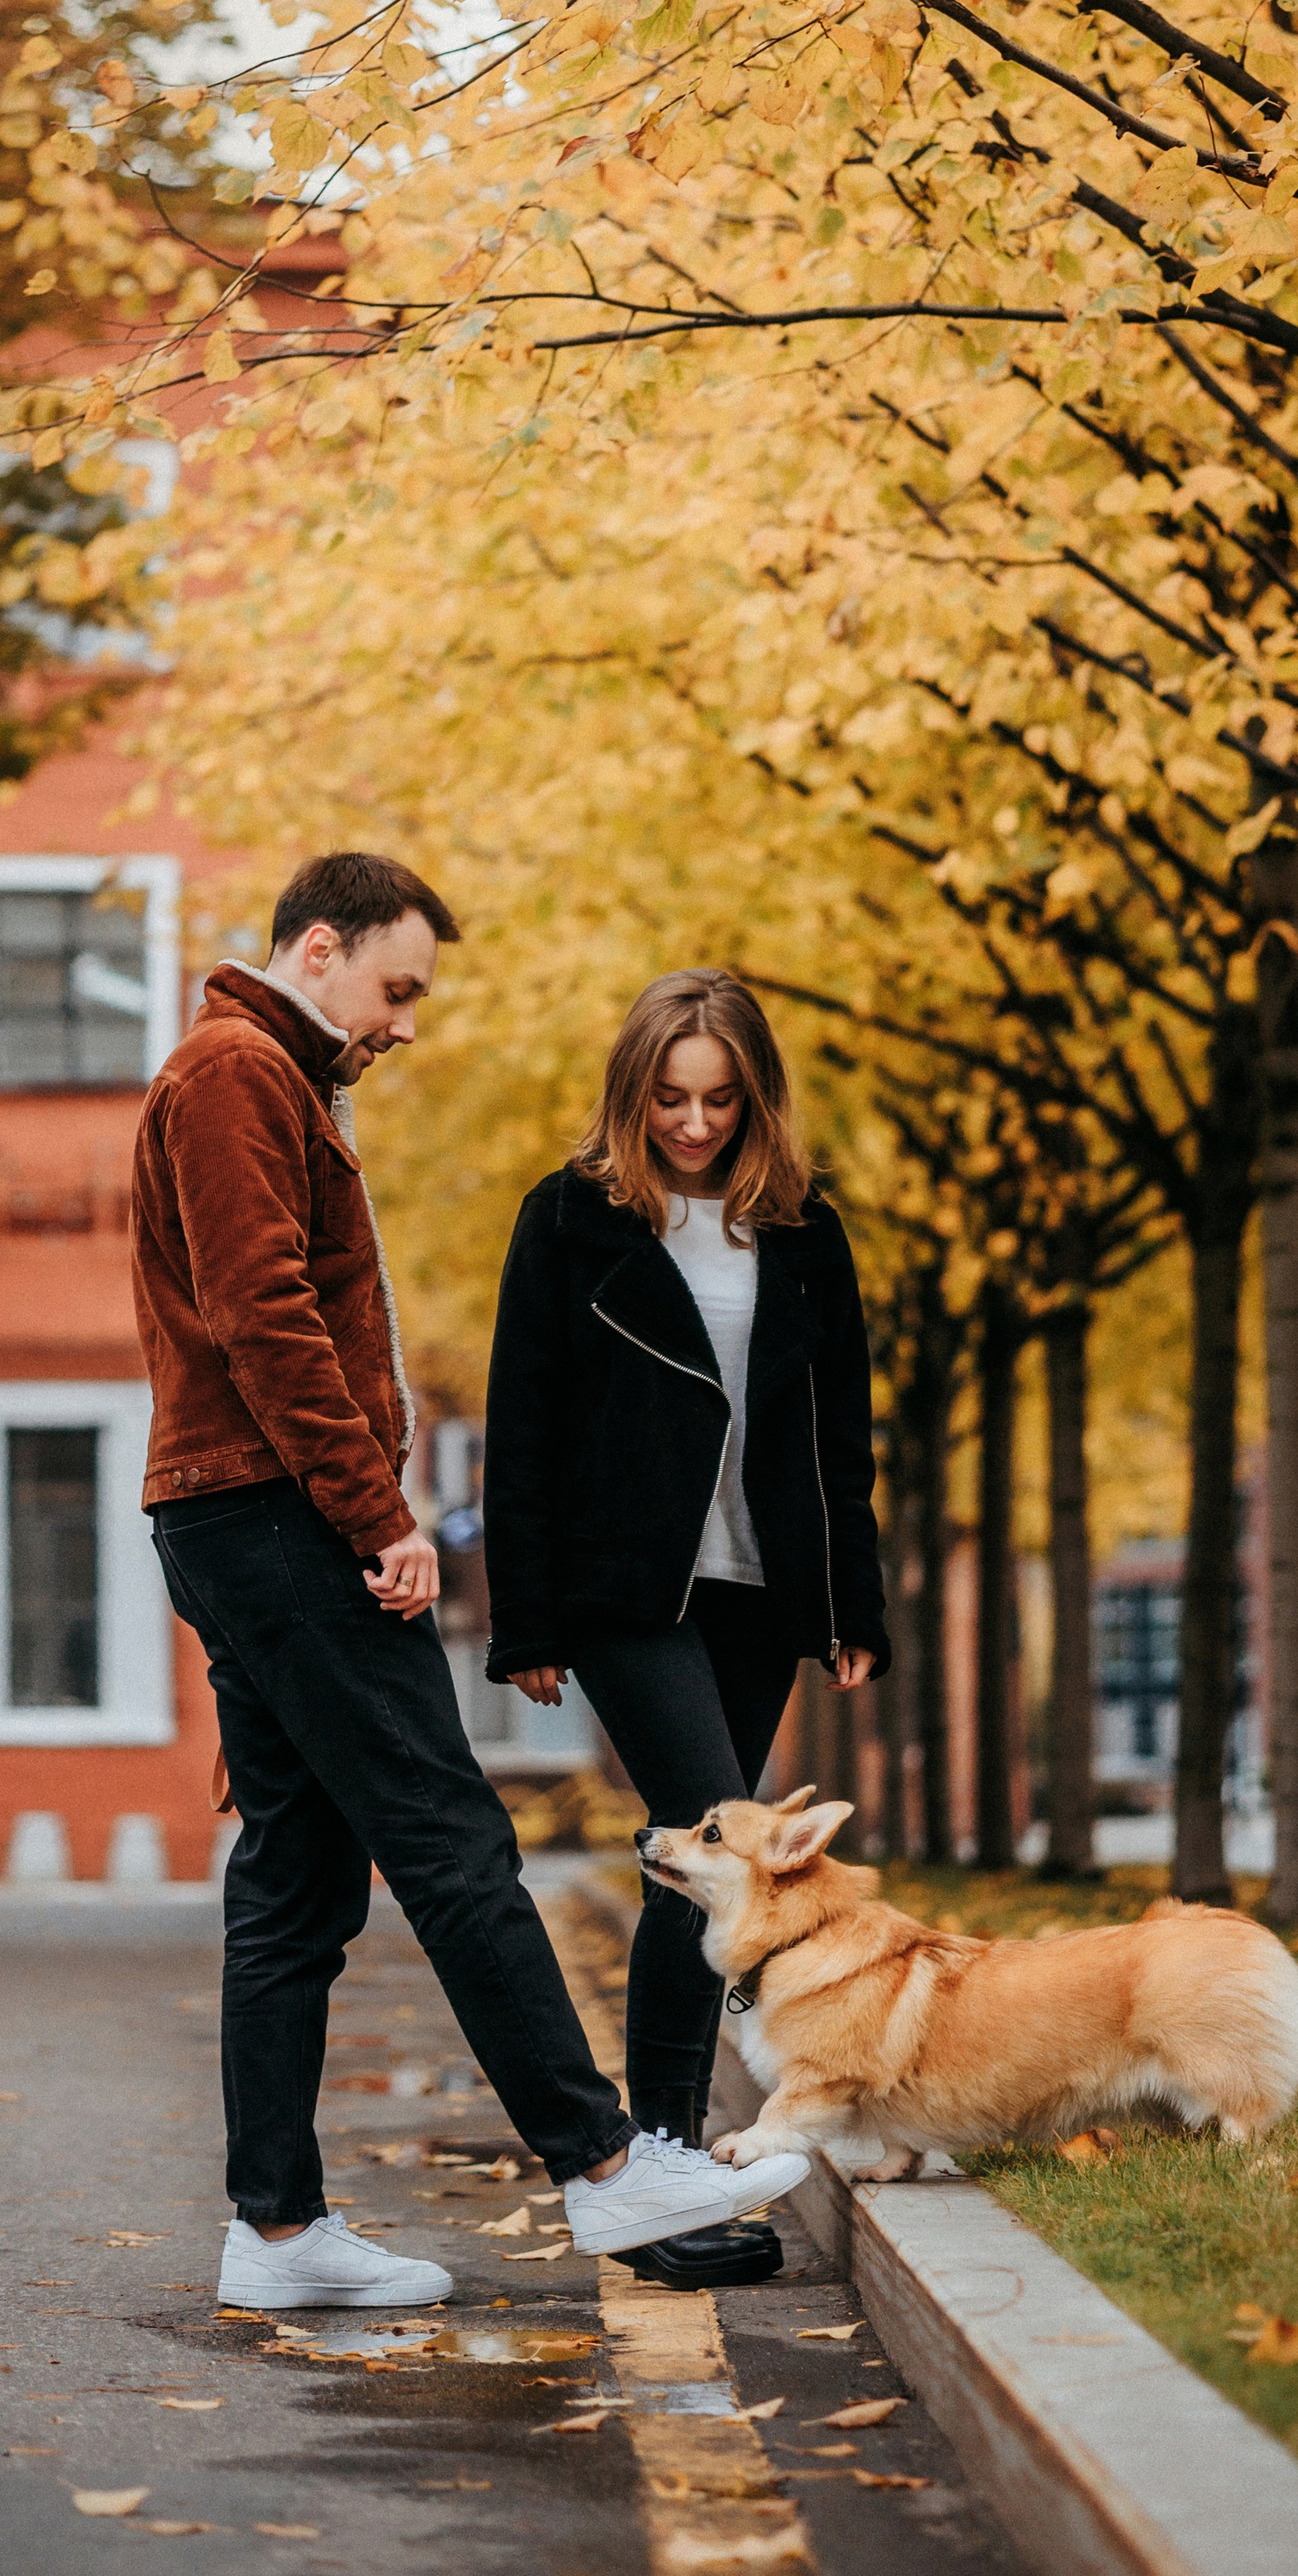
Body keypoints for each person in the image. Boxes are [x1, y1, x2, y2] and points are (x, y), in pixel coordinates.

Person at [130, 858, 809, 2310]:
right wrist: (377, 1512)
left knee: (298, 1879)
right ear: (320, 946)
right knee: (452, 1840)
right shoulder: (236, 1073)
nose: (407, 1020)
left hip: (236, 1511)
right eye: (398, 986)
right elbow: (262, 1315)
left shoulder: (268, 1075)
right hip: (276, 1514)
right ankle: (608, 2167)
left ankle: (276, 2230)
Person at [482, 969, 888, 2287]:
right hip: (625, 1586)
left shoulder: (807, 1229)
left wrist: (852, 1601)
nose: (695, 1124)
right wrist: (526, 1615)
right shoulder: (568, 1218)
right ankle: (660, 2161)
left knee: (698, 1857)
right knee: (711, 1831)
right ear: (632, 1092)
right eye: (670, 1098)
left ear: (757, 1097)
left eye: (720, 1100)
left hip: (763, 1586)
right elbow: (523, 1420)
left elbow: (842, 1434)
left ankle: (663, 2163)